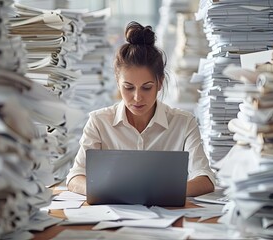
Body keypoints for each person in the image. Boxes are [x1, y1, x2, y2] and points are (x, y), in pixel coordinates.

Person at [66, 21, 215, 197]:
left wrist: (161, 193)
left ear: (160, 83)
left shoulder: (183, 123)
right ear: (117, 83)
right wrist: (107, 191)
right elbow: (75, 177)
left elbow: (205, 179)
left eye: (146, 87)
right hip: (112, 216)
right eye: (128, 87)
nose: (137, 97)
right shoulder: (99, 122)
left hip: (168, 219)